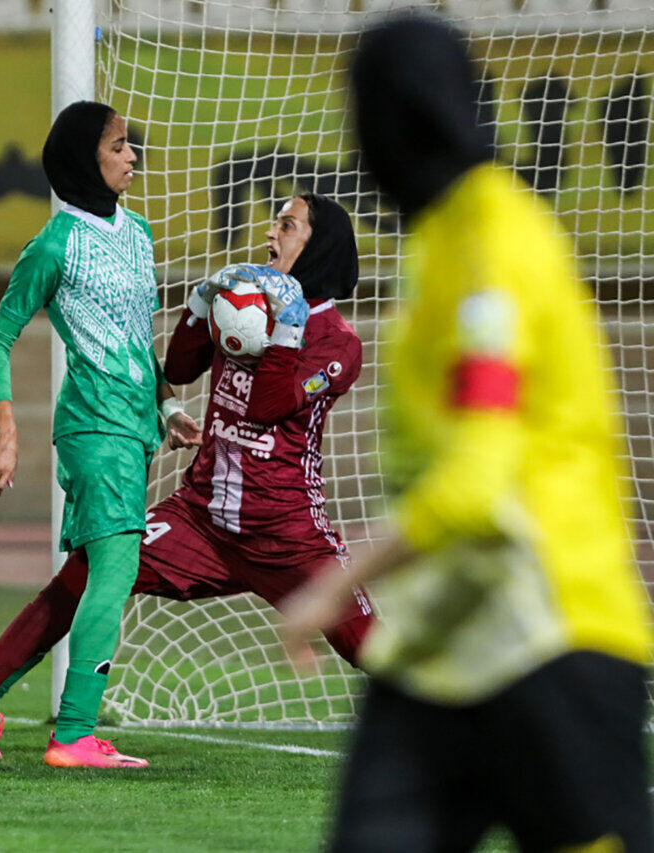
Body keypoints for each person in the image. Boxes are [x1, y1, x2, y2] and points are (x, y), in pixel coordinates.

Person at [280, 14, 654, 852]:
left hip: (551, 638)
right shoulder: (440, 241)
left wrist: (337, 584)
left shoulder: (494, 241)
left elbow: (481, 474)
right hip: (443, 648)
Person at [0, 192, 375, 760]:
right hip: (201, 519)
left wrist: (283, 329)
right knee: (88, 572)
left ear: (318, 244)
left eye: (287, 225)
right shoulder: (250, 305)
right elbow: (179, 368)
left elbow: (267, 405)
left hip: (287, 533)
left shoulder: (338, 344)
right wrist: (203, 306)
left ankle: (469, 729)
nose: (270, 233)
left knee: (369, 645)